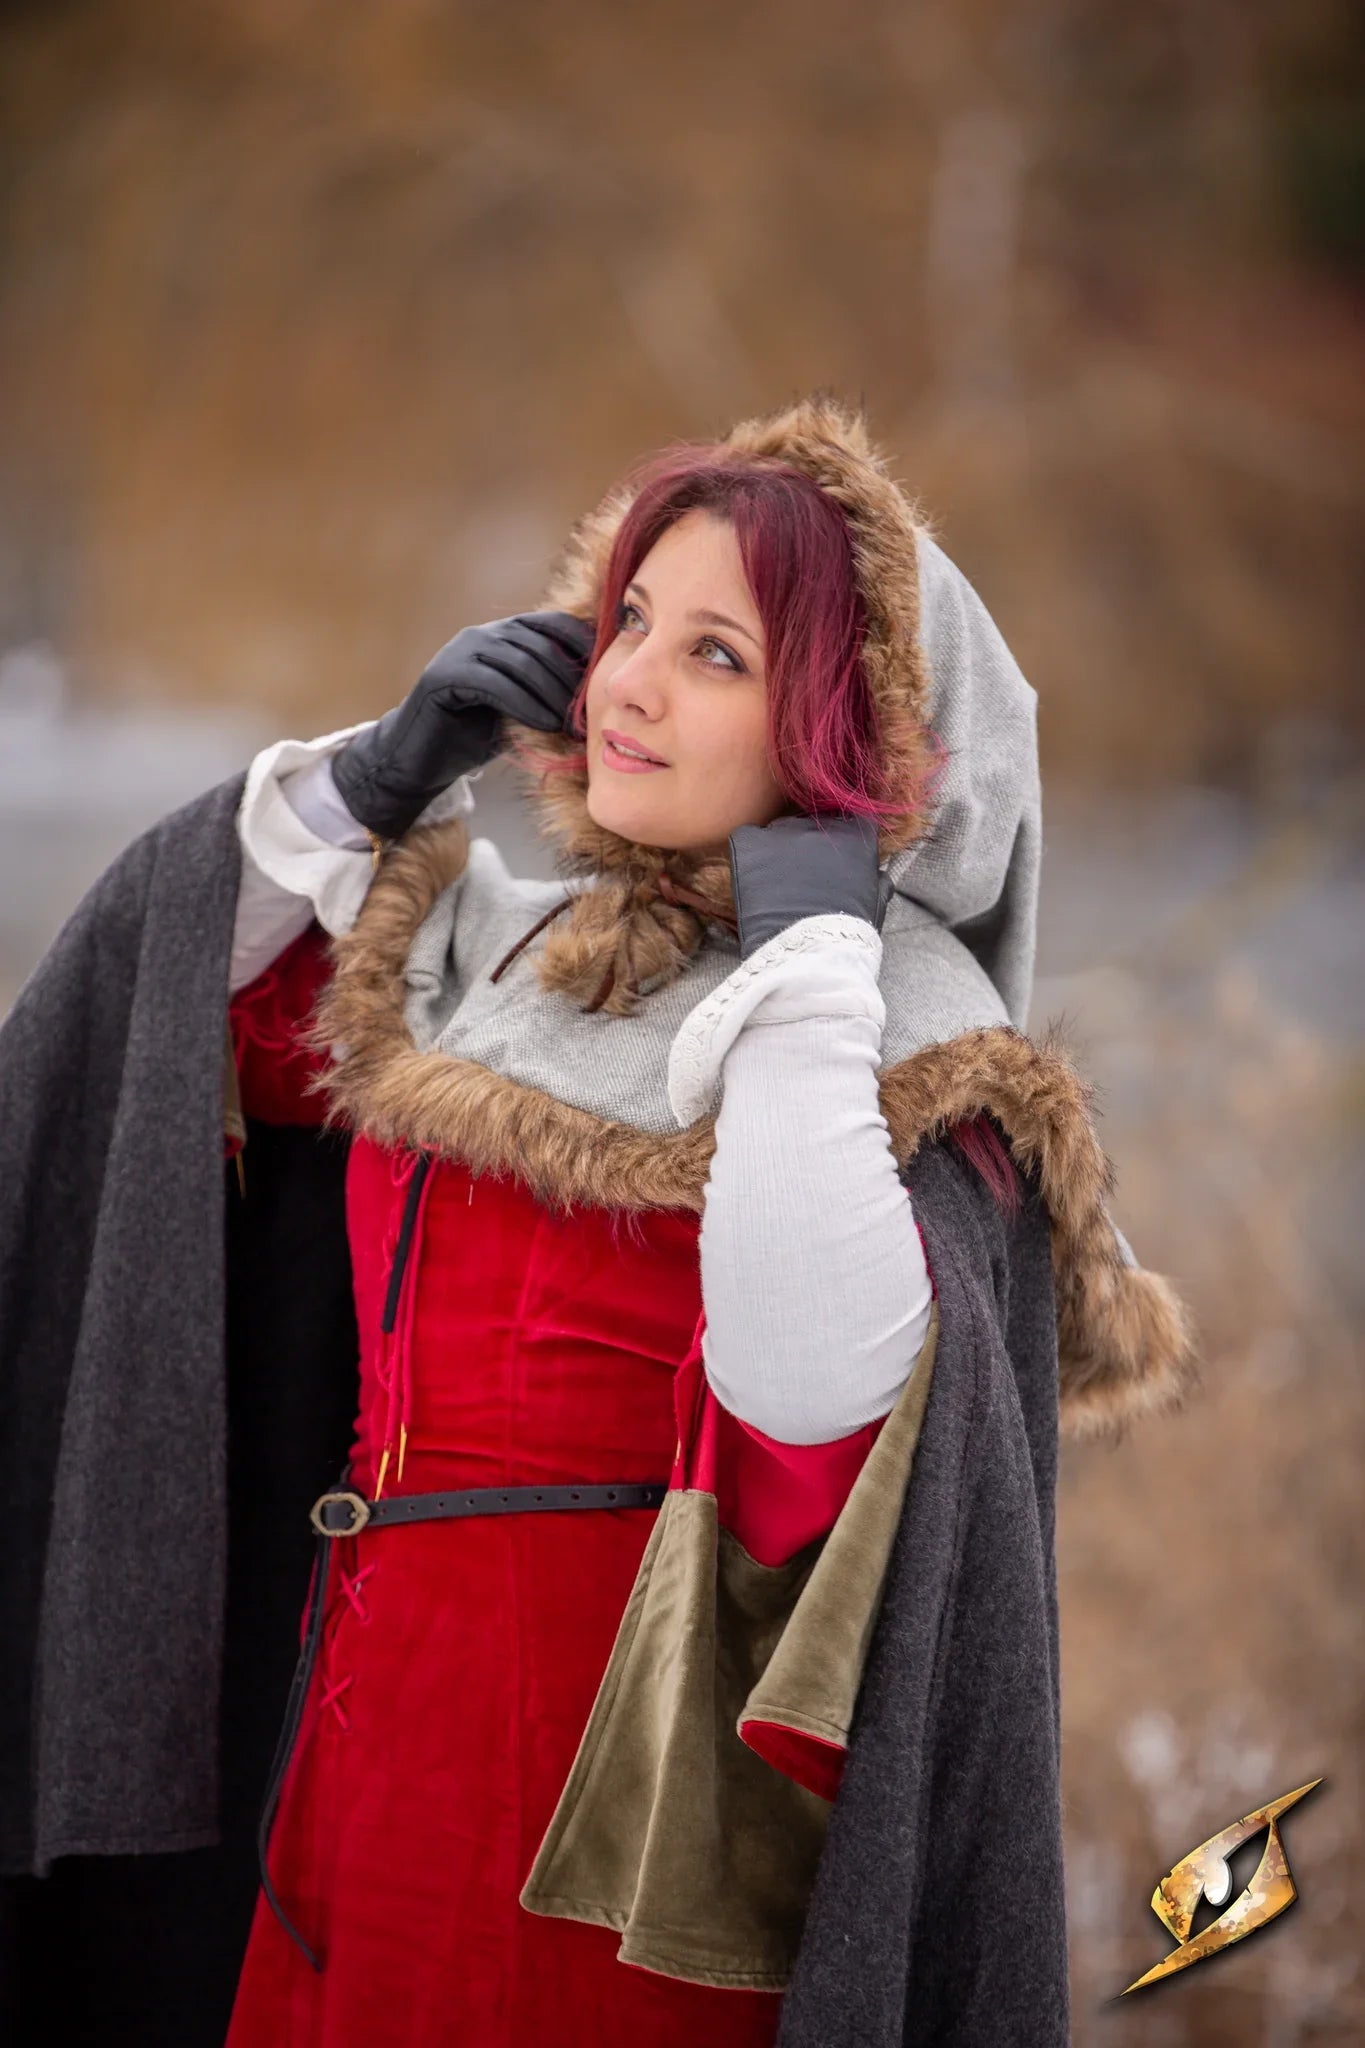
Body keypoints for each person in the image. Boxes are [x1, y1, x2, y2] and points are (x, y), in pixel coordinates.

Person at [0, 394, 1199, 2047]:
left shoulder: (906, 1046)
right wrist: (362, 788)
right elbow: (148, 1039)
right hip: (349, 1768)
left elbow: (807, 1396)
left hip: (606, 1840)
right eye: (630, 615)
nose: (622, 678)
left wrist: (806, 969)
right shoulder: (506, 961)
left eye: (714, 654)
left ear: (861, 734)